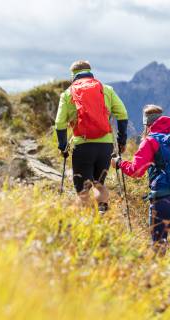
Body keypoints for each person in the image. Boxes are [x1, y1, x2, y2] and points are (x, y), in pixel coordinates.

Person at [55, 60, 128, 214]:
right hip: (105, 145)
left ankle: (86, 220)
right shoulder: (106, 89)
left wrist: (63, 146)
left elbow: (59, 123)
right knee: (99, 183)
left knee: (83, 188)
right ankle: (102, 213)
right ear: (90, 71)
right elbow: (122, 114)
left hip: (82, 145)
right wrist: (122, 141)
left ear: (73, 75)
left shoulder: (68, 93)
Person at [111, 105, 170, 249]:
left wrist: (119, 163)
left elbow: (136, 171)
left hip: (162, 199)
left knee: (158, 246)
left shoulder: (150, 141)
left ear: (147, 125)